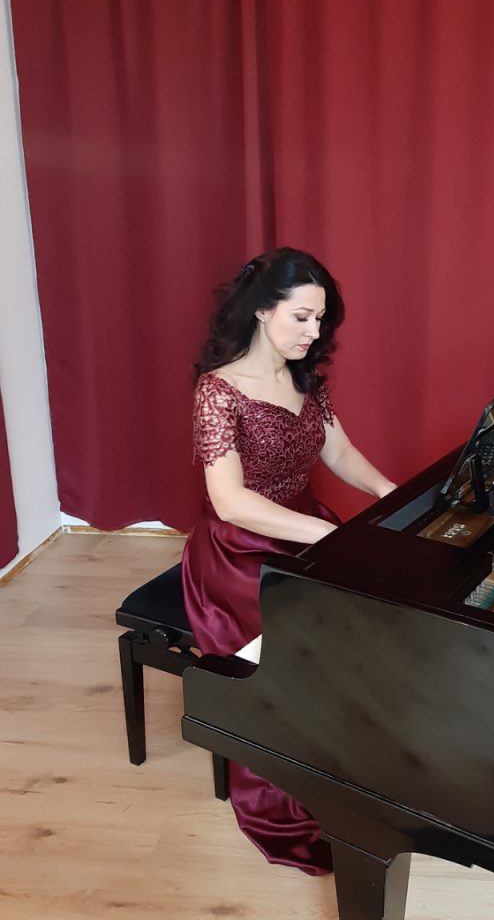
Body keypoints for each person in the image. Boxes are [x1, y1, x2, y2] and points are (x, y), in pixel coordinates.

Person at [182, 247, 395, 876]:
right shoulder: (218, 392)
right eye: (302, 317)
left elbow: (340, 452)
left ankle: (349, 762)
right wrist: (327, 536)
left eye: (320, 319)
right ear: (261, 310)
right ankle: (289, 789)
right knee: (298, 654)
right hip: (239, 553)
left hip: (304, 530)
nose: (313, 332)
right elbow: (230, 502)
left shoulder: (304, 378)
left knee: (365, 623)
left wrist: (391, 494)